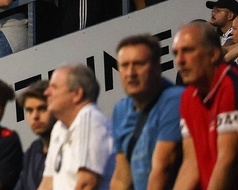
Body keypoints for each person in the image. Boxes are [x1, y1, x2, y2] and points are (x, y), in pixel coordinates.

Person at [110, 34, 183, 190]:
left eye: (139, 64)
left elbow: (163, 168)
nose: (130, 73)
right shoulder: (120, 109)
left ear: (157, 66)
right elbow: (122, 177)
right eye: (124, 65)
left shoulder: (175, 99)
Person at [173, 22, 238, 190]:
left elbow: (228, 158)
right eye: (176, 53)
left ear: (213, 54)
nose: (179, 60)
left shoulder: (232, 85)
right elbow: (191, 163)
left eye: (188, 51)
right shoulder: (187, 97)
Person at [40, 65, 115, 190]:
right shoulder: (59, 127)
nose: (46, 92)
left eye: (54, 87)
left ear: (77, 94)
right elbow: (47, 184)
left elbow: (86, 184)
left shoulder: (91, 122)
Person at [15, 81, 55, 190]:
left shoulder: (72, 144)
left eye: (42, 108)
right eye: (29, 110)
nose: (35, 116)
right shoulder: (32, 151)